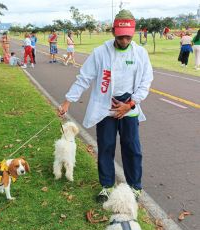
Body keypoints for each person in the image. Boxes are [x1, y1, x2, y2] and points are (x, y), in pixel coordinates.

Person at [58, 10, 153, 202]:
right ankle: (107, 186)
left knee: (132, 148)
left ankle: (134, 187)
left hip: (129, 107)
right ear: (113, 32)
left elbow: (146, 81)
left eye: (128, 36)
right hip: (105, 107)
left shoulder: (140, 53)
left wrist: (130, 104)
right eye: (120, 36)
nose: (124, 41)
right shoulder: (100, 53)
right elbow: (84, 78)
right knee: (106, 147)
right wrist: (68, 101)